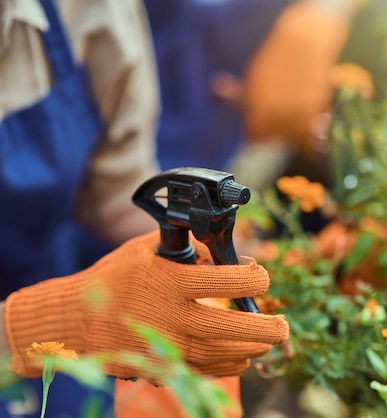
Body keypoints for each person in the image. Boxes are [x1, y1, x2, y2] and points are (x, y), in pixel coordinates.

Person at [0, 1, 288, 417]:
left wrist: (238, 263)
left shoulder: (88, 9)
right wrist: (46, 321)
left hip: (50, 311)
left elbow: (116, 196)